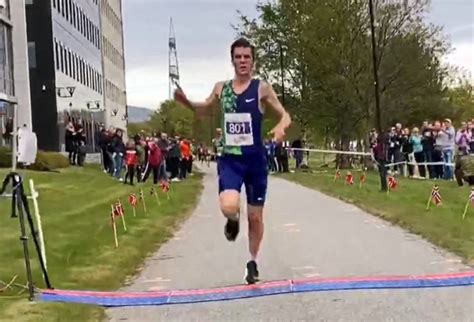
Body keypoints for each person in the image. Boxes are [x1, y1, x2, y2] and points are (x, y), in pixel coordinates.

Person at [174, 37, 291, 284]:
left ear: (253, 61)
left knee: (256, 217)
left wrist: (281, 126)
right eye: (238, 57)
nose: (242, 61)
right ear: (232, 61)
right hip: (231, 160)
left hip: (255, 161)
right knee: (228, 205)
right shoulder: (221, 88)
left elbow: (285, 115)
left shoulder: (262, 88)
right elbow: (204, 109)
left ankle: (252, 262)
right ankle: (232, 219)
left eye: (246, 57)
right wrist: (187, 103)